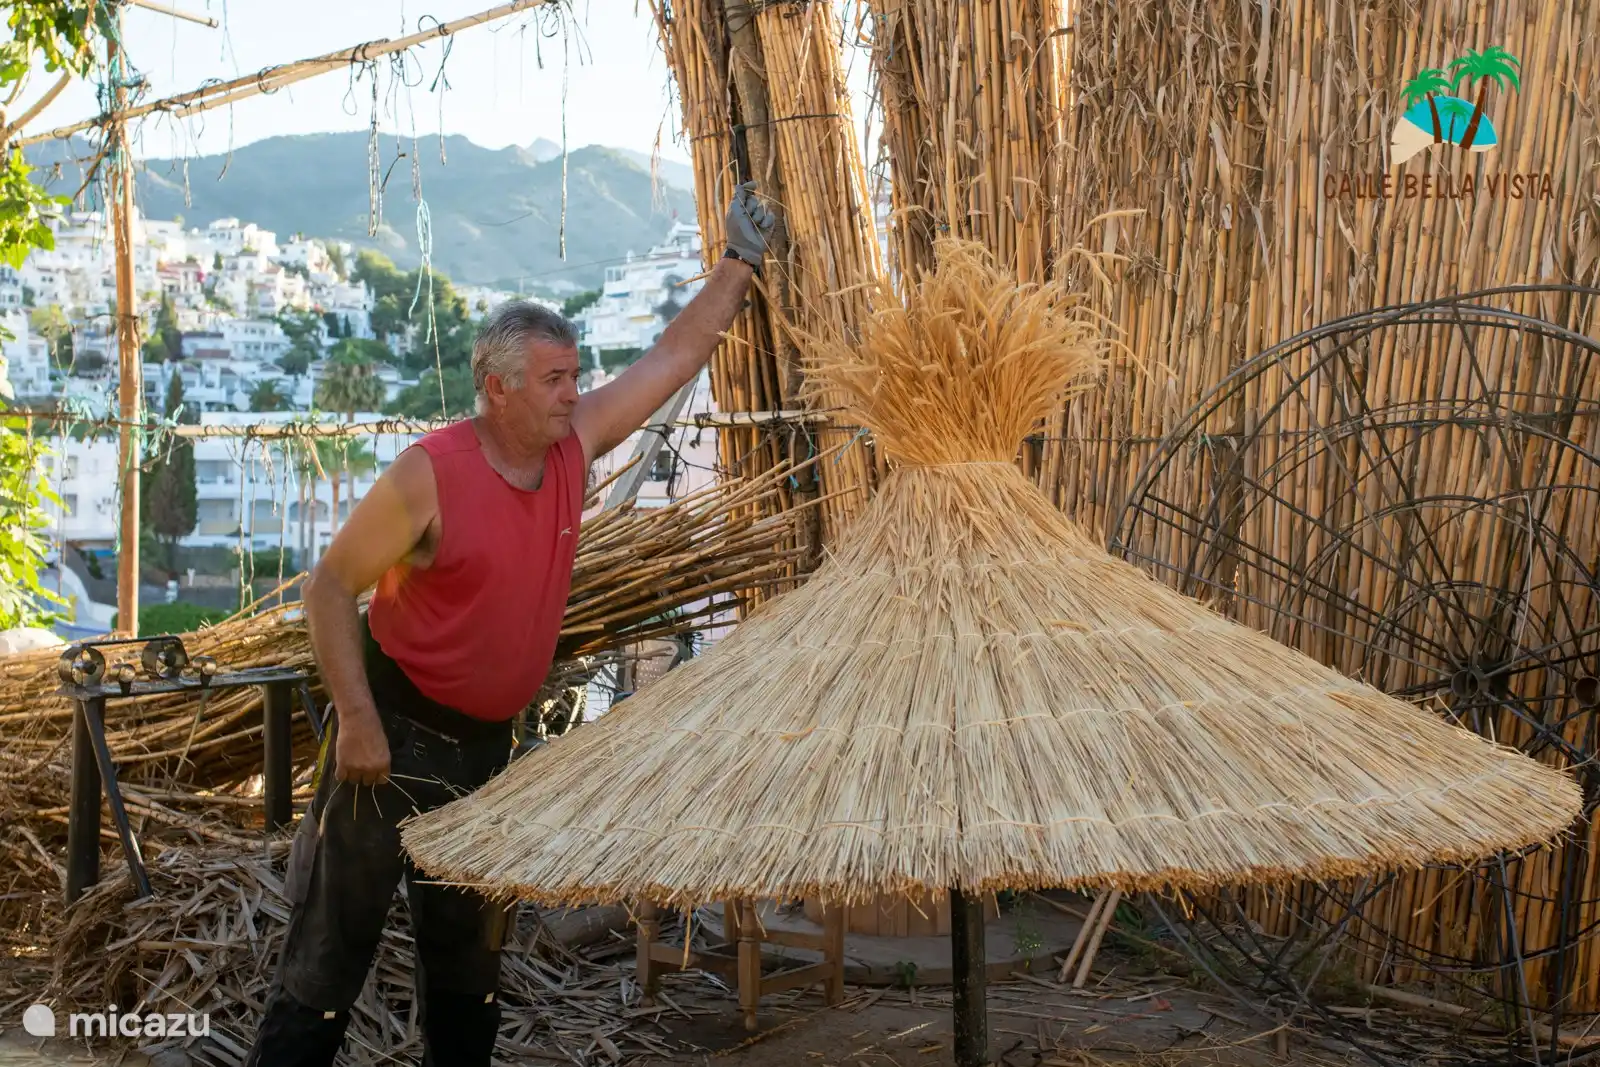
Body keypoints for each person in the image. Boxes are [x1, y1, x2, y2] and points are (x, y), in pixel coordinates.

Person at [246, 183, 776, 1067]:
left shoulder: (575, 446)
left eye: (575, 376)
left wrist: (740, 261)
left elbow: (675, 357)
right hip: (391, 740)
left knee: (467, 979)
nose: (575, 394)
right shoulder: (430, 474)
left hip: (485, 753)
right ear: (497, 390)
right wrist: (360, 724)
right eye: (554, 380)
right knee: (327, 965)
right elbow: (330, 586)